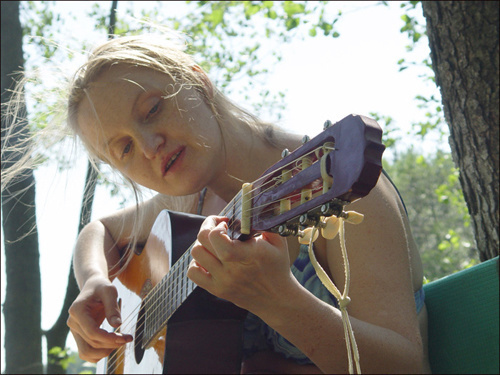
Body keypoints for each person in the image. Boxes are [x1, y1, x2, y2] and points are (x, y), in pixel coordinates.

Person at [7, 33, 430, 373]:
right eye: (124, 149)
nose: (151, 147)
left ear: (197, 80)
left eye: (153, 109)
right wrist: (94, 281)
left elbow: (409, 367)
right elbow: (97, 231)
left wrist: (278, 299)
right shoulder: (187, 202)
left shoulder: (334, 181)